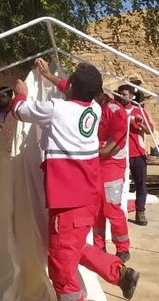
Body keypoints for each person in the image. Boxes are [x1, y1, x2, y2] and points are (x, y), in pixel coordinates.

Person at [12, 63, 140, 301]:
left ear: (70, 89)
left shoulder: (57, 109)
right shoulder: (93, 110)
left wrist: (20, 94)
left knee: (61, 268)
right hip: (85, 198)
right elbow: (72, 92)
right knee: (73, 248)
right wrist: (48, 76)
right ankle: (118, 273)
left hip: (66, 202)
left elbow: (21, 112)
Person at [34, 58, 131, 261]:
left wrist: (96, 150)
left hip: (111, 164)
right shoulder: (90, 105)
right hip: (94, 164)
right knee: (96, 210)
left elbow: (116, 141)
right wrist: (49, 76)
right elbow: (69, 89)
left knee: (111, 208)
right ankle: (99, 247)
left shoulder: (114, 111)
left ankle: (122, 247)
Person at [117, 84, 154, 226]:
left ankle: (140, 212)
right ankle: (120, 212)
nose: (122, 97)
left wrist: (141, 124)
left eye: (124, 94)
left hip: (137, 154)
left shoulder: (139, 111)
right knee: (119, 184)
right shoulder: (115, 110)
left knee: (140, 185)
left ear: (132, 96)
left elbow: (150, 130)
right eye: (120, 94)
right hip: (120, 153)